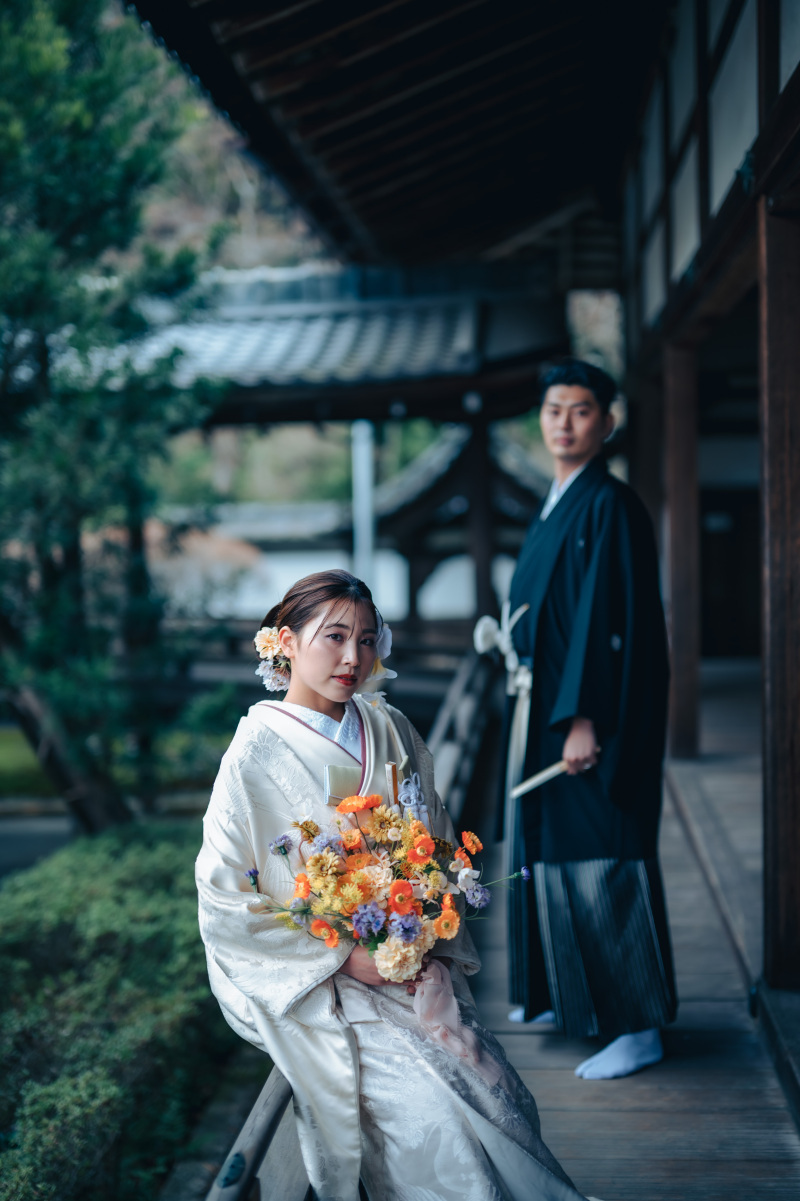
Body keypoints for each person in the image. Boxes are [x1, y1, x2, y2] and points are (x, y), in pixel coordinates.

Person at [196, 569, 600, 1201]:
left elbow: (431, 837)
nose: (353, 658)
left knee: (492, 1091)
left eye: (365, 638)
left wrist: (419, 932)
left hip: (406, 954)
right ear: (285, 642)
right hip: (326, 978)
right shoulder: (252, 755)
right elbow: (224, 898)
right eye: (332, 637)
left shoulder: (389, 727)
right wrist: (341, 955)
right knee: (432, 1110)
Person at [483, 358, 677, 1081]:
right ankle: (565, 999)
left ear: (608, 422)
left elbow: (603, 623)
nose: (564, 422)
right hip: (544, 704)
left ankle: (637, 1023)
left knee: (603, 849)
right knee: (550, 849)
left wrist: (585, 718)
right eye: (554, 409)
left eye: (582, 410)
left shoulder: (610, 504)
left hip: (588, 712)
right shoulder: (555, 501)